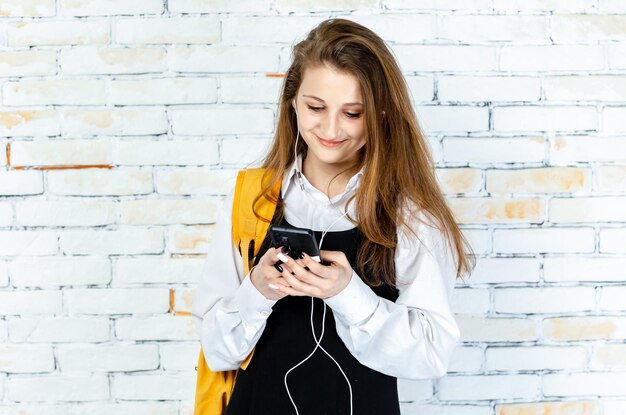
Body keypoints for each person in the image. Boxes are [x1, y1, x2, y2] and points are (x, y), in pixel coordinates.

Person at [192, 18, 475, 415]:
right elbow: (217, 351)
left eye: (353, 113)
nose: (330, 128)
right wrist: (257, 289)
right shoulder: (248, 199)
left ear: (380, 113)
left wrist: (348, 295)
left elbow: (431, 354)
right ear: (292, 102)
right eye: (315, 107)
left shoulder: (412, 214)